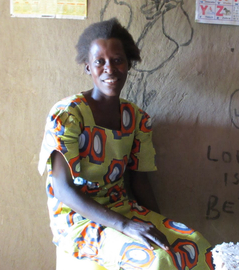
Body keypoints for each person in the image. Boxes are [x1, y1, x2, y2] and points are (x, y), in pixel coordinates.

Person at [38, 18, 214, 270]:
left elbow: (139, 181)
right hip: (78, 220)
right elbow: (62, 189)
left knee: (196, 244)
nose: (109, 68)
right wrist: (125, 225)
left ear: (128, 64)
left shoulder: (136, 118)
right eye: (100, 62)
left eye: (117, 60)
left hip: (123, 209)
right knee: (158, 259)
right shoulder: (68, 115)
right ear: (88, 68)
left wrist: (159, 223)